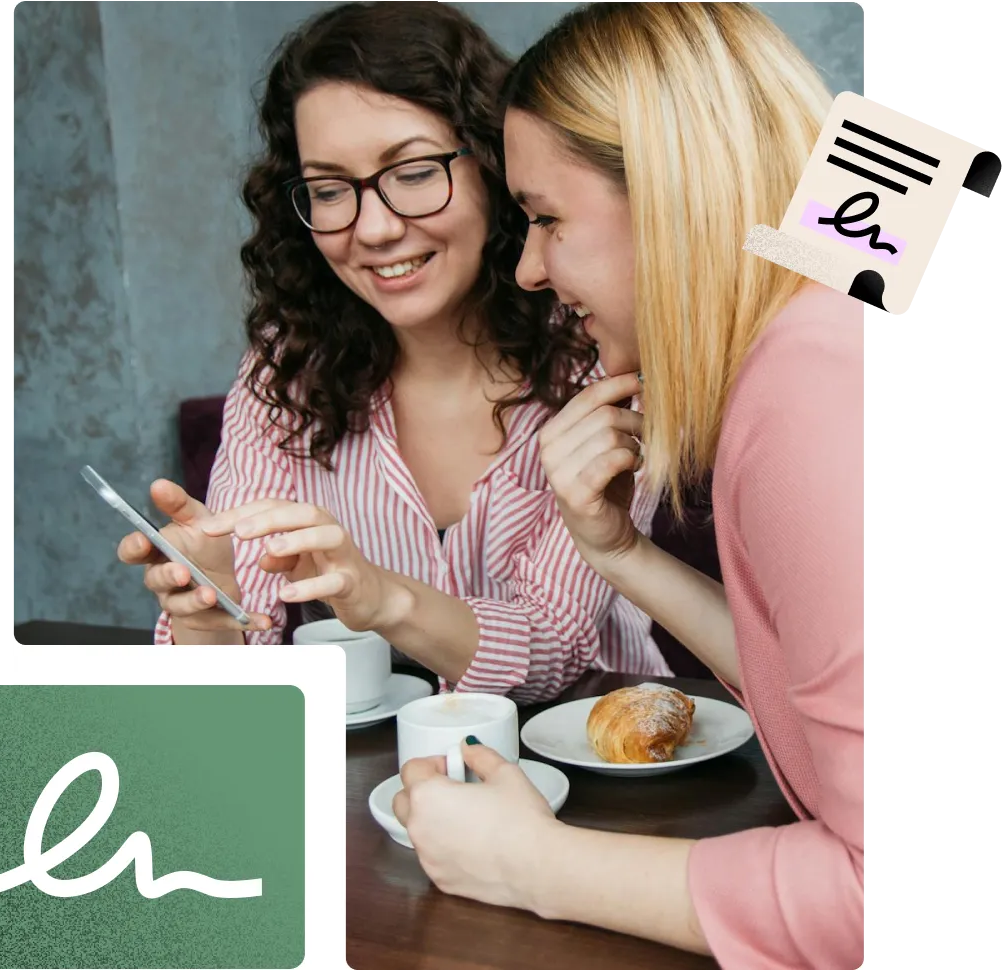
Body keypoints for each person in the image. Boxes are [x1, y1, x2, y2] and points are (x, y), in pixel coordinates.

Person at [392, 3, 866, 968]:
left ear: (671, 193)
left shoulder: (808, 386)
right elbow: (819, 703)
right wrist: (621, 556)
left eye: (546, 218)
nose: (526, 267)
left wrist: (535, 864)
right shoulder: (823, 325)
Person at [115, 0, 674, 702]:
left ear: (494, 169)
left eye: (412, 173)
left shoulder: (602, 351)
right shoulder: (287, 366)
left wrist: (380, 597)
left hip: (606, 759)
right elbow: (234, 673)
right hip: (379, 774)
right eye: (328, 189)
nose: (374, 229)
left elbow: (552, 653)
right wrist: (208, 609)